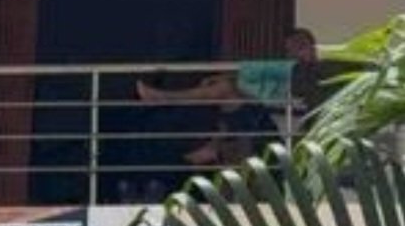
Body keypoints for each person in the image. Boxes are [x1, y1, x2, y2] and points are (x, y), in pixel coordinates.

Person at [134, 28, 326, 166]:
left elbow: (298, 93)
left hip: (287, 127)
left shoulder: (319, 70)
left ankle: (165, 99)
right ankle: (211, 145)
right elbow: (258, 79)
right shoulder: (290, 71)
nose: (294, 54)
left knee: (229, 94)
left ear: (312, 47)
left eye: (299, 47)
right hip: (270, 118)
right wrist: (227, 78)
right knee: (229, 100)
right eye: (290, 50)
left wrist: (230, 82)